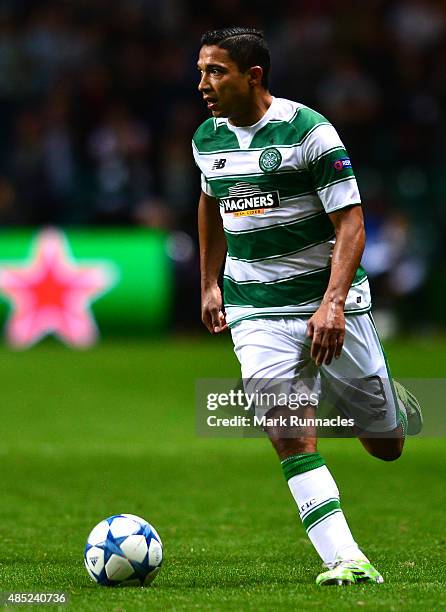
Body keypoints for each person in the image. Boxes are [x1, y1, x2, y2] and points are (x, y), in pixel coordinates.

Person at [193, 26, 422, 586]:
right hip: (255, 308)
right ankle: (345, 559)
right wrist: (210, 283)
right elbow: (208, 202)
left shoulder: (310, 132)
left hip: (328, 302)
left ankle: (382, 396)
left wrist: (334, 304)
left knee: (386, 445)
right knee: (287, 427)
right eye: (200, 71)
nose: (203, 83)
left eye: (215, 71)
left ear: (253, 76)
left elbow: (352, 223)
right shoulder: (206, 138)